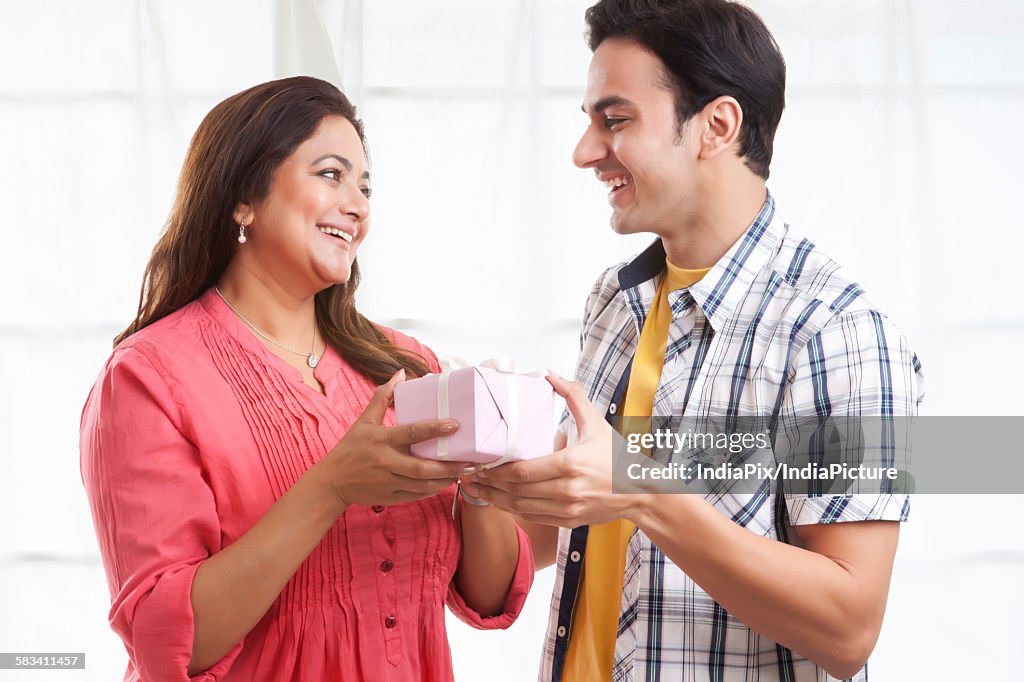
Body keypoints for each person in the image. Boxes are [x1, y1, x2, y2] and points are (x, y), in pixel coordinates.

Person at [463, 1, 923, 680]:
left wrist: (639, 490)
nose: (585, 151)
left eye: (614, 120)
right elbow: (535, 545)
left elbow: (849, 628)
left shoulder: (834, 330)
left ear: (717, 125)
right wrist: (474, 474)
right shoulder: (615, 302)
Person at [80, 76, 533, 682]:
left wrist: (482, 476)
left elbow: (486, 594)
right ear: (244, 197)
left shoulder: (400, 361)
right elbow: (169, 644)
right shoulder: (148, 377)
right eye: (331, 174)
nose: (359, 205)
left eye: (365, 186)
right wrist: (331, 489)